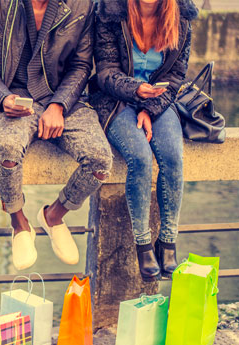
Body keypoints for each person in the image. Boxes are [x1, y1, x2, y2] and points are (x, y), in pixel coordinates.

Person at [0, 0, 113, 270]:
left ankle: (54, 216)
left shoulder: (82, 4)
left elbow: (82, 66)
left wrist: (58, 105)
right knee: (8, 149)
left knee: (100, 160)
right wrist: (2, 98)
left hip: (62, 98)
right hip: (11, 97)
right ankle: (19, 222)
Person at [91, 0, 197, 281]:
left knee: (172, 156)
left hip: (159, 101)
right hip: (116, 100)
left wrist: (150, 108)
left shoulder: (182, 17)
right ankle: (143, 244)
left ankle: (168, 241)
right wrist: (136, 91)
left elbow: (176, 75)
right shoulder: (110, 12)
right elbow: (105, 72)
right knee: (139, 157)